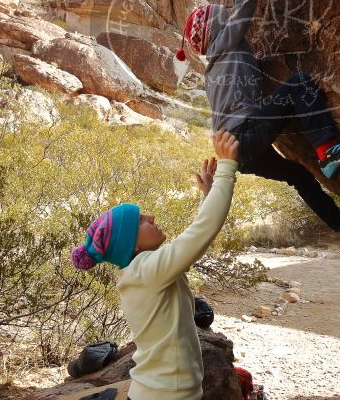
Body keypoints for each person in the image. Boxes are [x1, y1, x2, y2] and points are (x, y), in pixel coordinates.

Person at [176, 0, 340, 247]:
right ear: (216, 28)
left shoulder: (216, 65)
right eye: (219, 16)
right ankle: (327, 150)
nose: (224, 13)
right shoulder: (226, 40)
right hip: (244, 134)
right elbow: (246, 2)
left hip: (237, 153)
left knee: (299, 177)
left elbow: (245, 85)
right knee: (299, 84)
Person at [71, 131, 240, 400]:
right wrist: (227, 168)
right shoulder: (147, 271)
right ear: (131, 245)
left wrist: (209, 194)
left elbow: (195, 233)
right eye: (140, 221)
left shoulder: (140, 270)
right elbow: (201, 232)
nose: (150, 216)